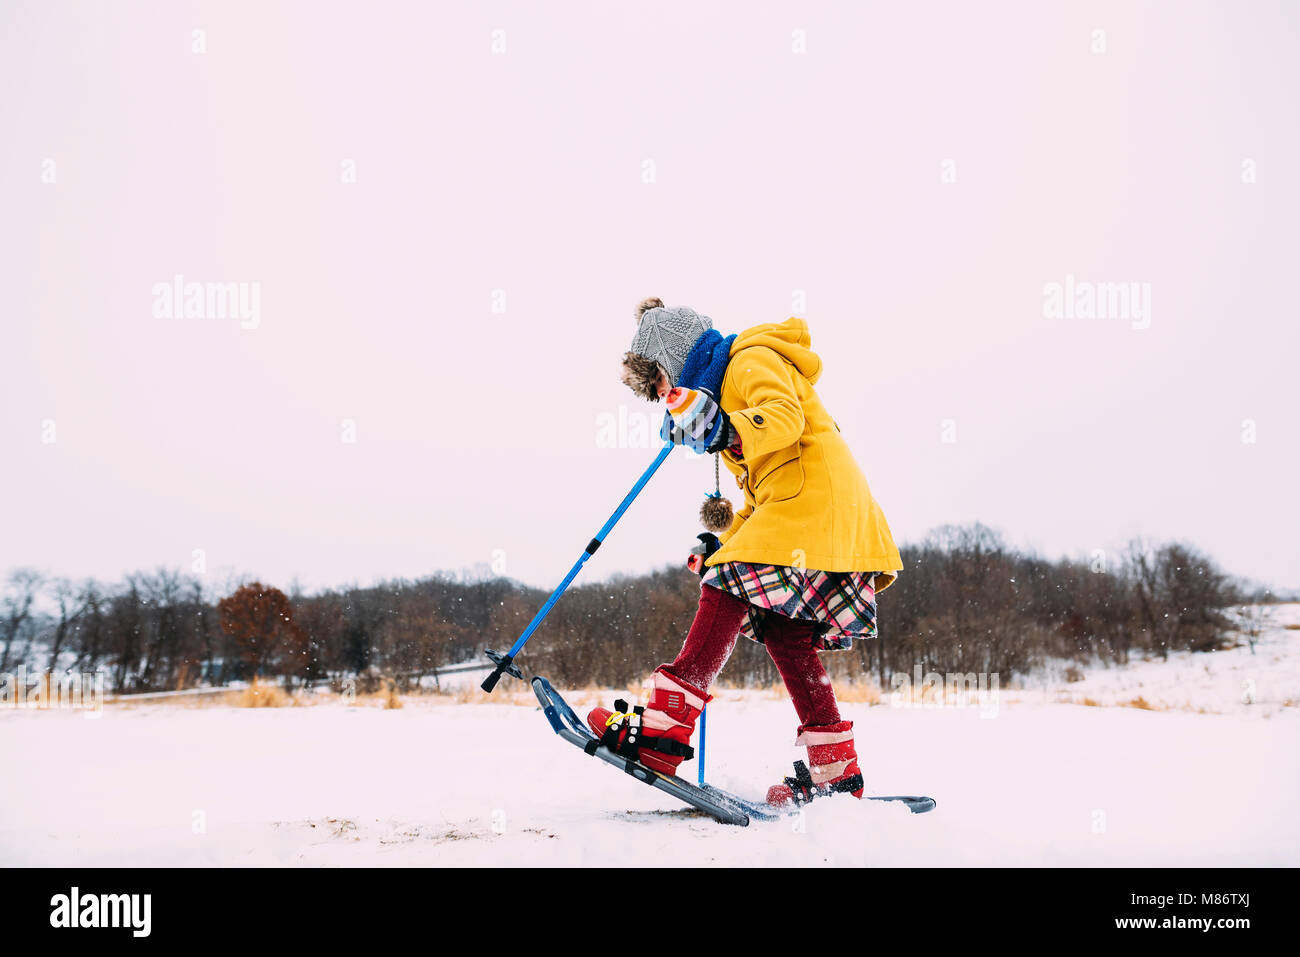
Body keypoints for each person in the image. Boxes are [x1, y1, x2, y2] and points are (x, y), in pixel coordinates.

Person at [587, 297, 904, 805]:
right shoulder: (732, 387)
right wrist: (725, 543)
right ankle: (836, 774)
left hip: (816, 508)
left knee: (727, 583)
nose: (670, 398)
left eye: (664, 384)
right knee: (785, 630)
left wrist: (726, 430)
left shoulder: (749, 359)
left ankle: (663, 732)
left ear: (680, 359)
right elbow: (763, 502)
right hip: (822, 515)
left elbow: (783, 419)